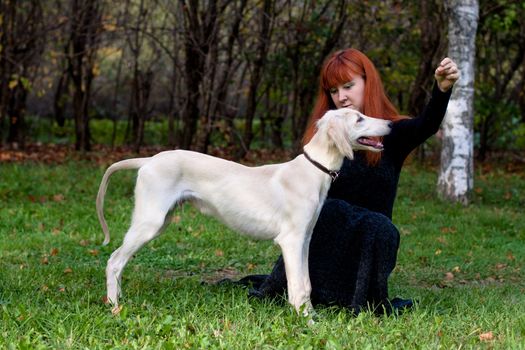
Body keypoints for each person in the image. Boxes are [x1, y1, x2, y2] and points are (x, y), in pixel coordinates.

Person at [233, 48, 459, 315]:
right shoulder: (326, 139)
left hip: (366, 246)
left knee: (381, 228)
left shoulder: (390, 133)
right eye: (333, 90)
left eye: (349, 86)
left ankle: (352, 291)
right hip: (324, 243)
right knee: (327, 209)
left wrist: (442, 90)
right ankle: (305, 287)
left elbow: (426, 125)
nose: (341, 97)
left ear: (368, 82)